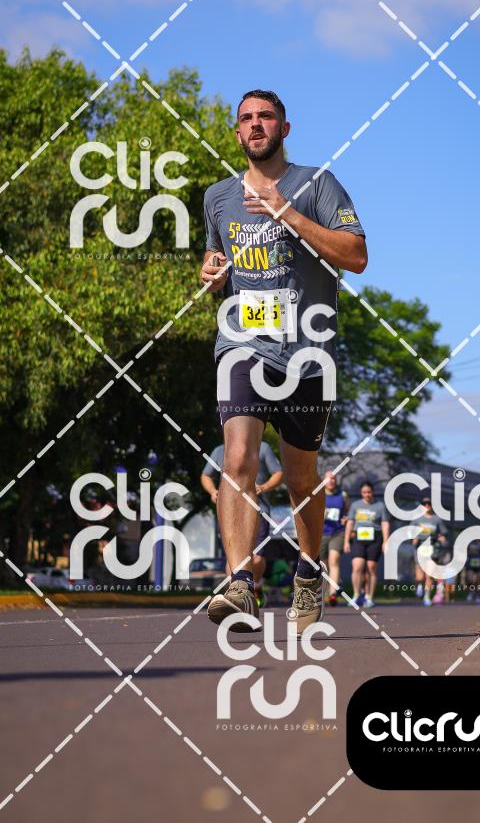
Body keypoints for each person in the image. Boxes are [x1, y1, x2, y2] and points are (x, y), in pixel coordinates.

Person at [200, 89, 367, 633]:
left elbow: (356, 255)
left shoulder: (317, 184)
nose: (256, 125)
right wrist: (211, 273)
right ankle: (239, 583)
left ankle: (309, 570)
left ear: (284, 128)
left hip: (308, 353)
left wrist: (286, 213)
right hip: (243, 343)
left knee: (300, 478)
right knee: (238, 458)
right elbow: (216, 259)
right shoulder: (218, 197)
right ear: (237, 132)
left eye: (266, 116)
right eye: (246, 118)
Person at [201, 441, 283, 602]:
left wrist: (264, 487)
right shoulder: (219, 450)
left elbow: (278, 473)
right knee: (233, 557)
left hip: (259, 510)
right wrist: (212, 491)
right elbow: (206, 475)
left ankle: (256, 585)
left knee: (256, 558)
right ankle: (235, 595)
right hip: (230, 511)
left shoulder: (263, 448)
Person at [344, 482, 389, 608]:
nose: (367, 494)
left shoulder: (380, 505)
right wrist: (346, 541)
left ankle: (369, 597)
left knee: (371, 567)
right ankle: (356, 595)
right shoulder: (355, 505)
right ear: (361, 493)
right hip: (358, 538)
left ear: (372, 492)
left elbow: (385, 523)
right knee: (357, 566)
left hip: (375, 538)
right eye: (364, 492)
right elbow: (350, 523)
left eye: (369, 492)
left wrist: (385, 541)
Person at [320, 471, 350, 607]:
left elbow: (348, 512)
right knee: (323, 564)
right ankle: (325, 592)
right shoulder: (318, 495)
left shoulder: (342, 495)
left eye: (333, 478)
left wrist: (346, 518)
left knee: (334, 559)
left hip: (338, 532)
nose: (331, 481)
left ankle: (333, 594)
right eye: (328, 478)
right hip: (321, 533)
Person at [412, 496, 448, 607]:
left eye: (429, 504)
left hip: (432, 548)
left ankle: (427, 596)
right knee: (420, 577)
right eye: (424, 504)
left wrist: (442, 538)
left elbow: (443, 533)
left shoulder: (437, 520)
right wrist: (414, 538)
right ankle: (419, 585)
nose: (427, 506)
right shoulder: (417, 519)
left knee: (429, 574)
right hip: (420, 548)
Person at [465, 539, 480, 603]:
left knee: (477, 581)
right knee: (470, 580)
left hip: (479, 563)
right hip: (470, 562)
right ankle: (471, 592)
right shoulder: (470, 542)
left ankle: (477, 595)